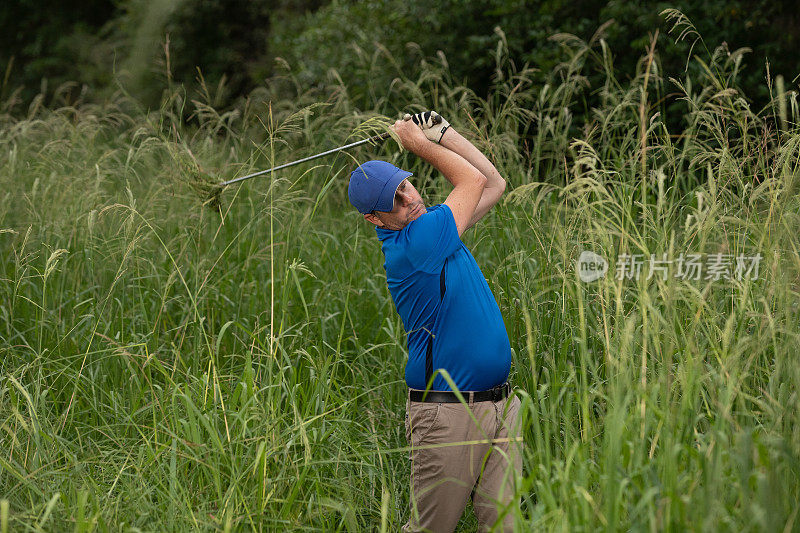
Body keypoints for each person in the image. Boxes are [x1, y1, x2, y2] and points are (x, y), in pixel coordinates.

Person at [347, 111, 523, 532]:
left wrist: (446, 134)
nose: (410, 199)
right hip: (448, 414)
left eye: (406, 185)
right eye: (396, 201)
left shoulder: (434, 227)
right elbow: (473, 182)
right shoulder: (415, 244)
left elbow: (494, 183)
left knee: (505, 526)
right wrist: (420, 144)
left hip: (500, 403)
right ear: (374, 219)